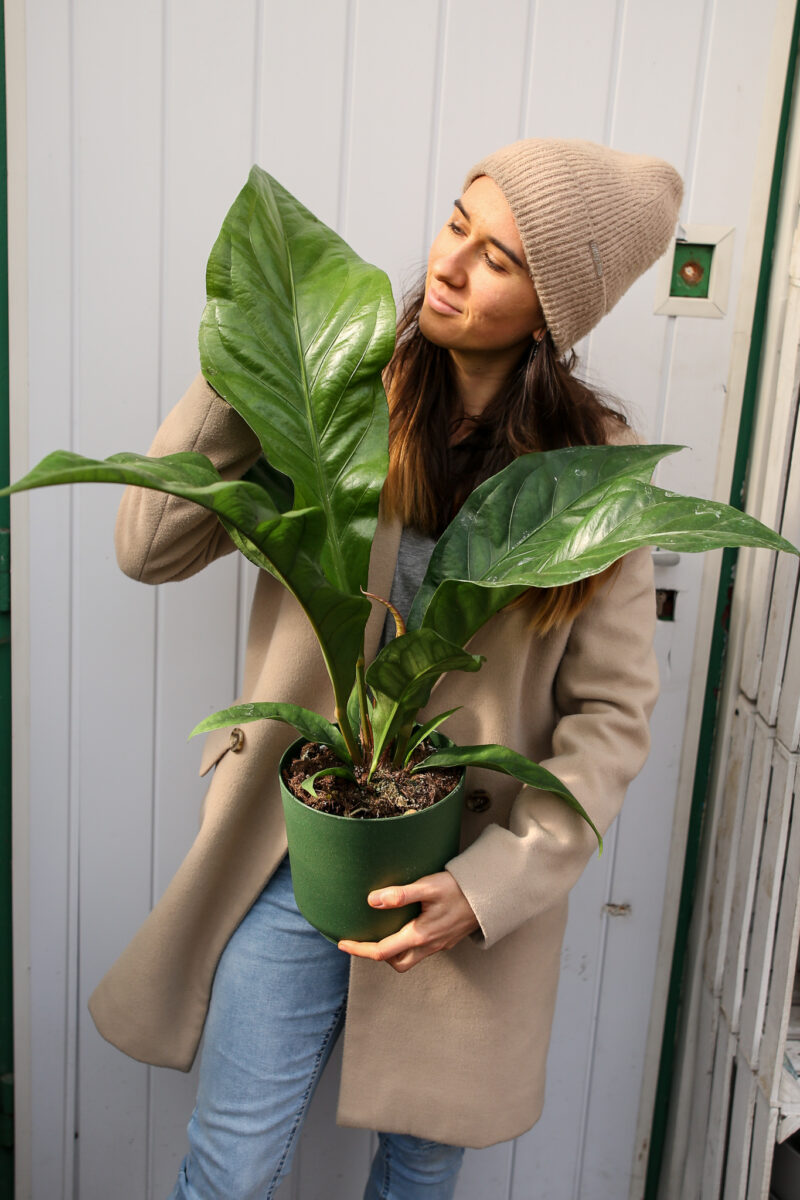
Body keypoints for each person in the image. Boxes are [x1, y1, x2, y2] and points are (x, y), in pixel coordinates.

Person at [89, 139, 683, 1199]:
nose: (449, 263)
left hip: (459, 885)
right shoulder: (342, 389)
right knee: (225, 1172)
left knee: (414, 1181)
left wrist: (489, 886)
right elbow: (148, 544)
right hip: (295, 855)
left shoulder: (591, 476)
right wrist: (260, 354)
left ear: (553, 311)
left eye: (498, 256)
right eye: (457, 221)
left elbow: (608, 721)